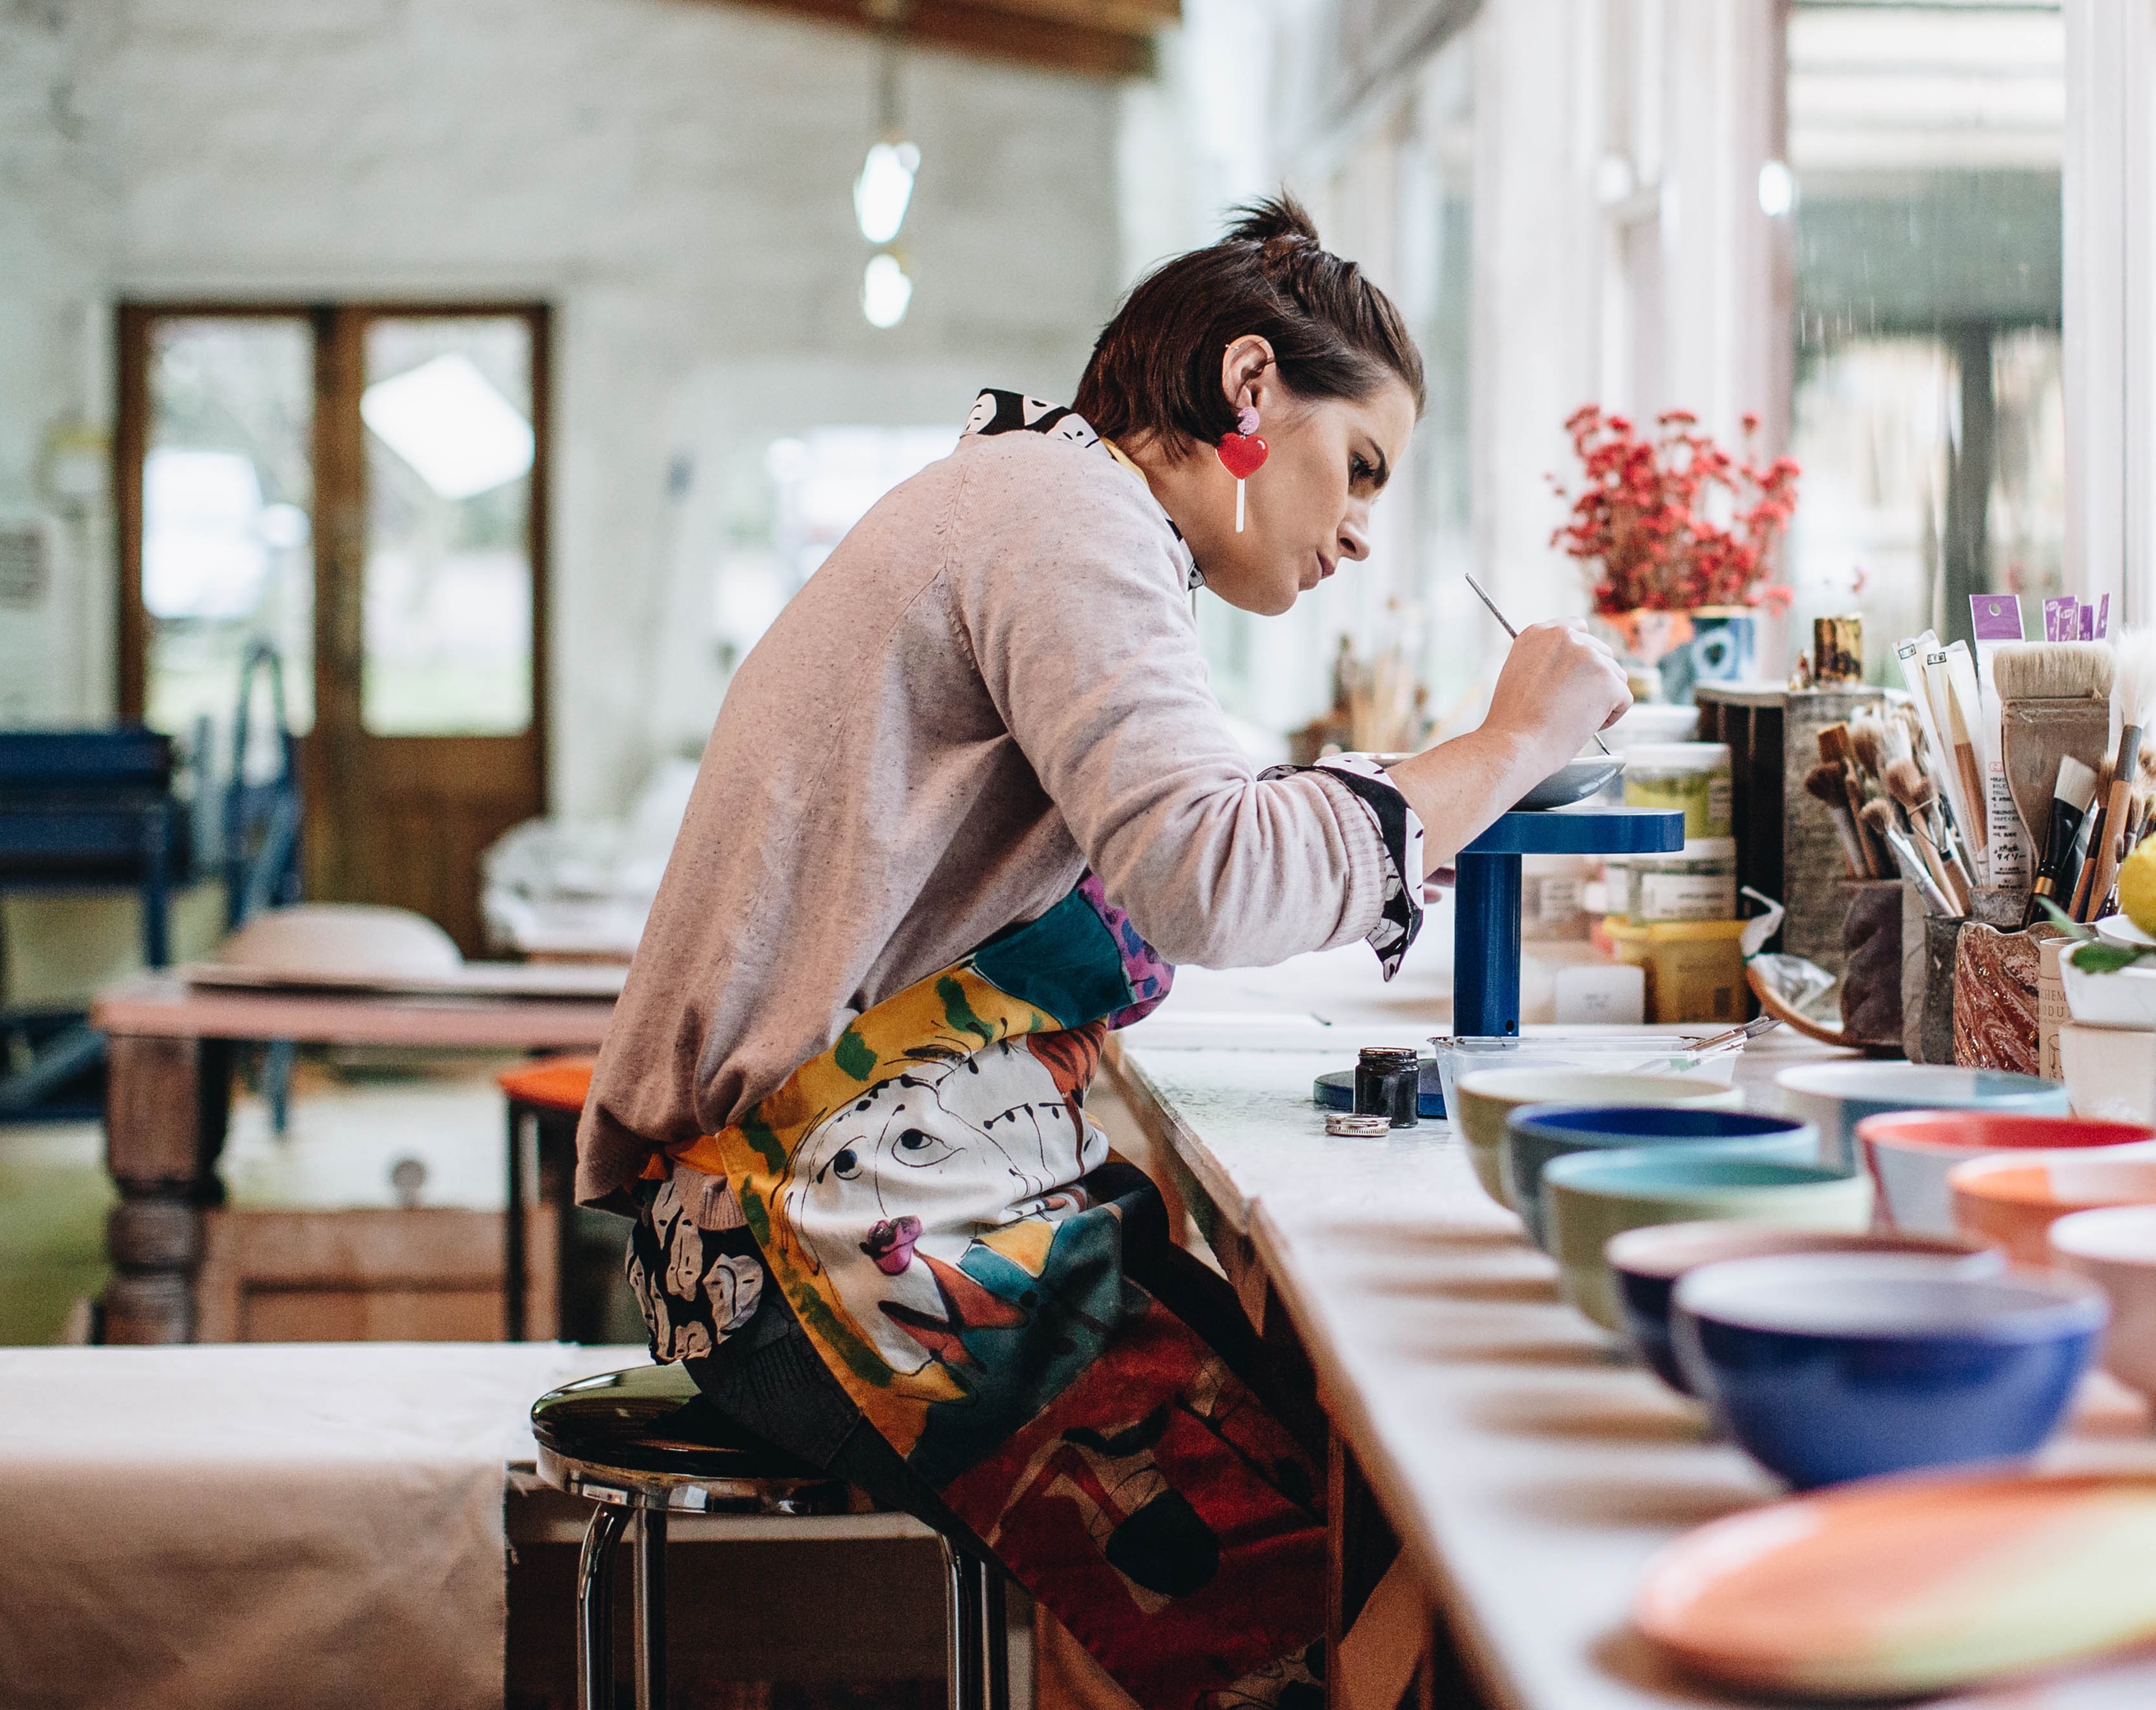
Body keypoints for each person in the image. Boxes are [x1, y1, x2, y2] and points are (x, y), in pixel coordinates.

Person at [578, 195, 1629, 1708]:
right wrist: (1514, 745)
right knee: (1341, 1550)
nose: (1355, 530)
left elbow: (1188, 842)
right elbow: (1212, 877)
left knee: (1351, 1447)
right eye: (1362, 470)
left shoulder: (1043, 505)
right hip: (800, 1226)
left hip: (851, 1184)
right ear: (1251, 389)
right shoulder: (1063, 519)